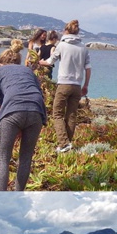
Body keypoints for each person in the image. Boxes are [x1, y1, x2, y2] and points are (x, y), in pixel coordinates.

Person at [0, 48, 47, 191]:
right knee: (26, 157)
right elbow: (39, 93)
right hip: (36, 111)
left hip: (12, 111)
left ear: (0, 62)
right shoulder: (28, 71)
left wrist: (4, 118)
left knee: (3, 158)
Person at [39, 19, 91, 153]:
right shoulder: (83, 47)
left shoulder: (62, 45)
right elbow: (88, 68)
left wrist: (40, 62)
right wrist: (85, 85)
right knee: (72, 115)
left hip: (63, 84)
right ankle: (67, 144)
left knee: (57, 114)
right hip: (77, 85)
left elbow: (50, 61)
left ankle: (63, 143)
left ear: (66, 31)